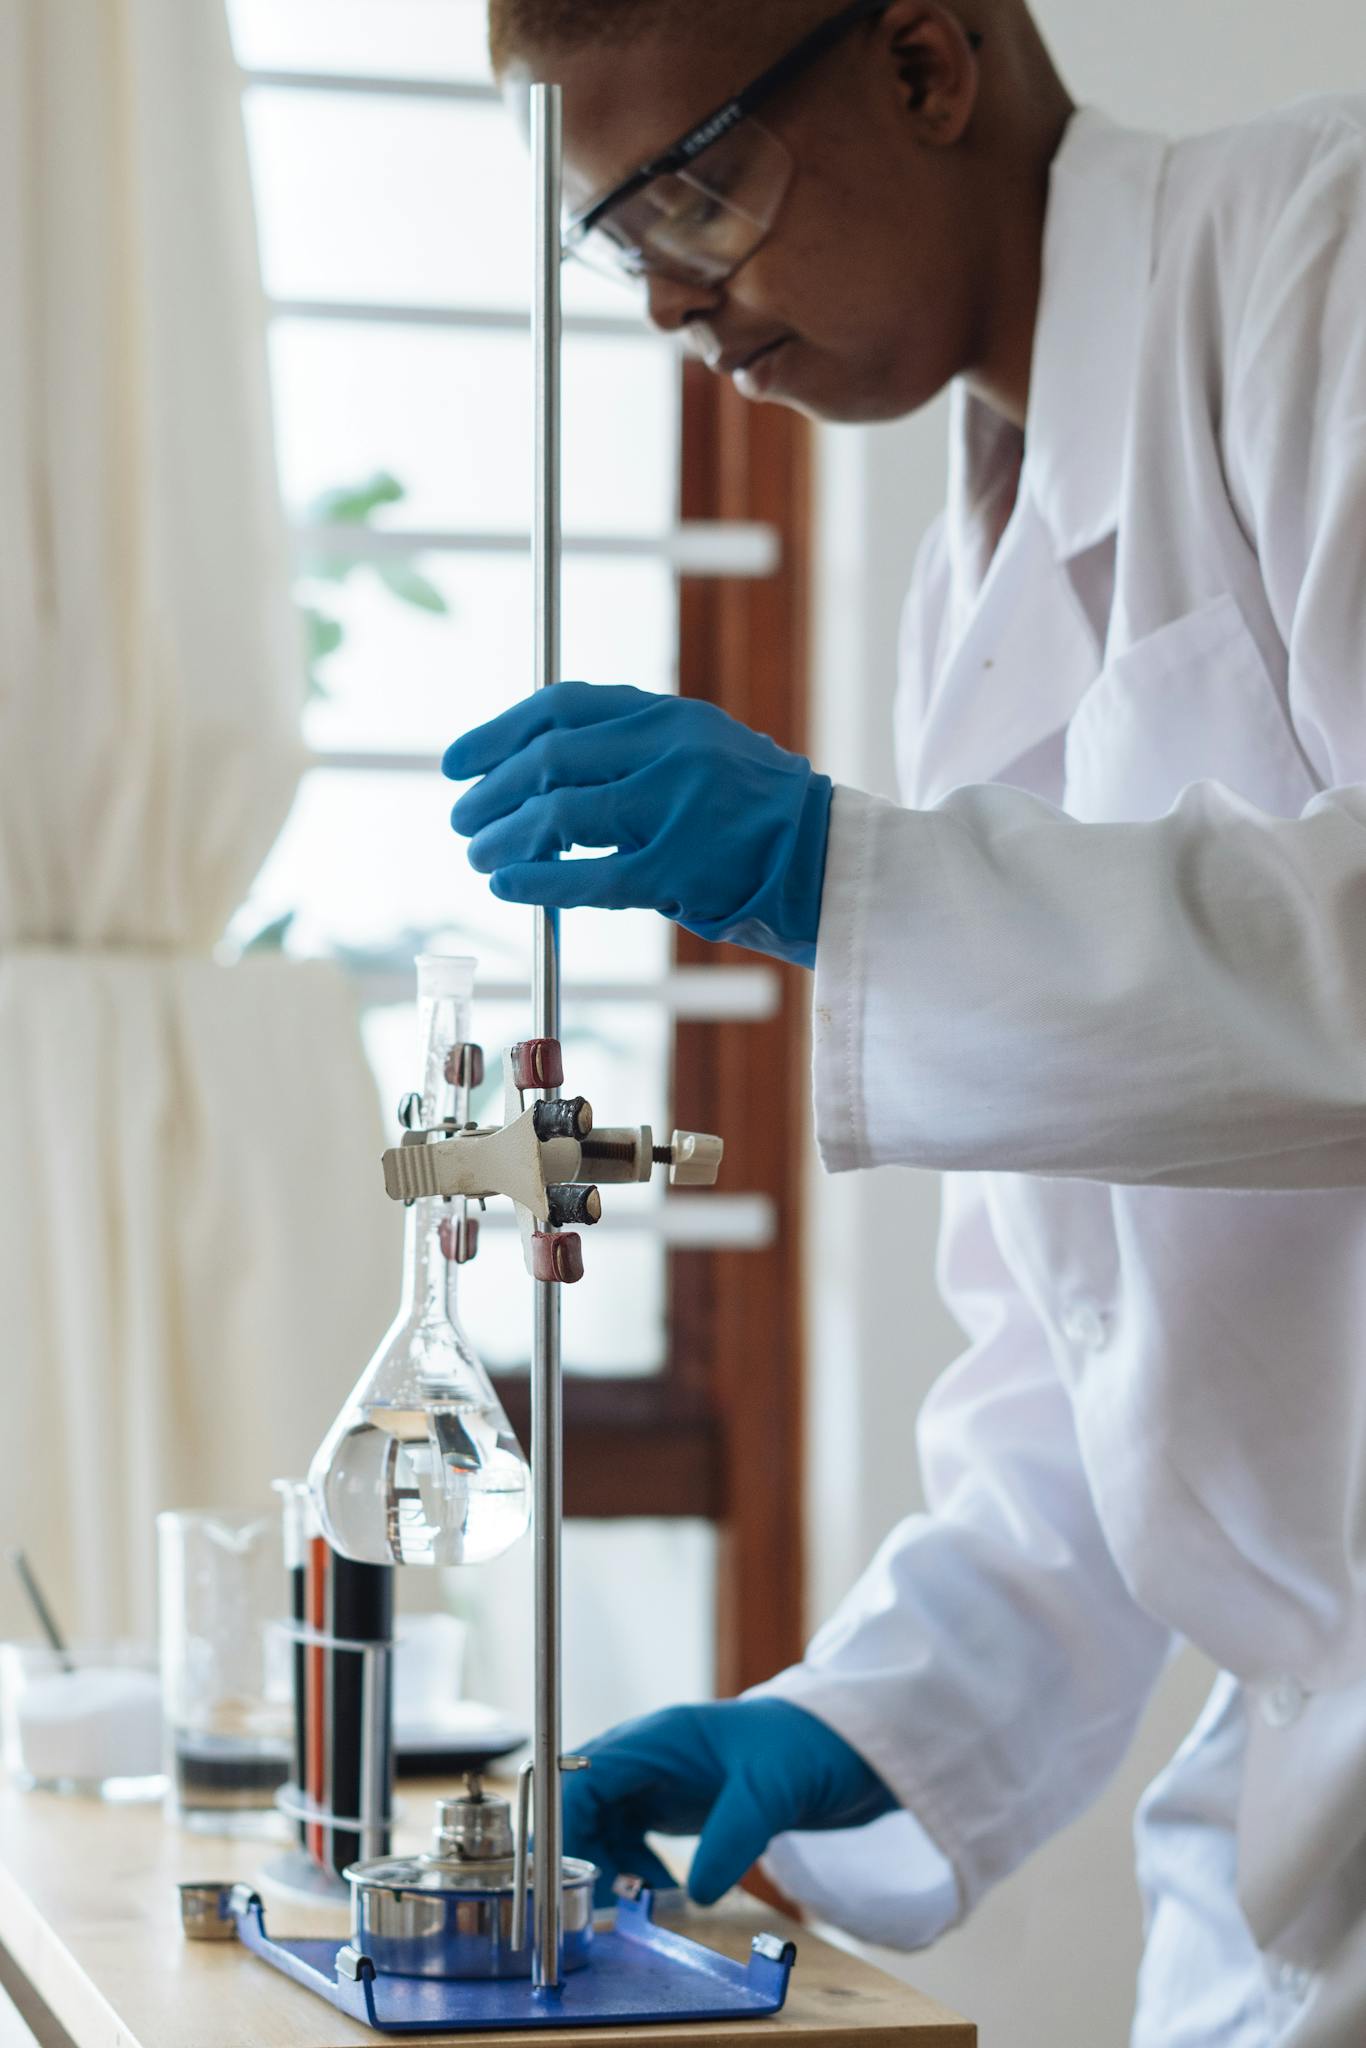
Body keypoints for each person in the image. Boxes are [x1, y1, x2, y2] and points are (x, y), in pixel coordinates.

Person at [444, 2, 1366, 2040]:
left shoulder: (1322, 255)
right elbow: (1089, 1365)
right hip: (1280, 1838)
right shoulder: (965, 588)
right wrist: (859, 1713)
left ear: (925, 64)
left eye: (691, 188)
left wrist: (833, 877)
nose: (672, 299)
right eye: (619, 237)